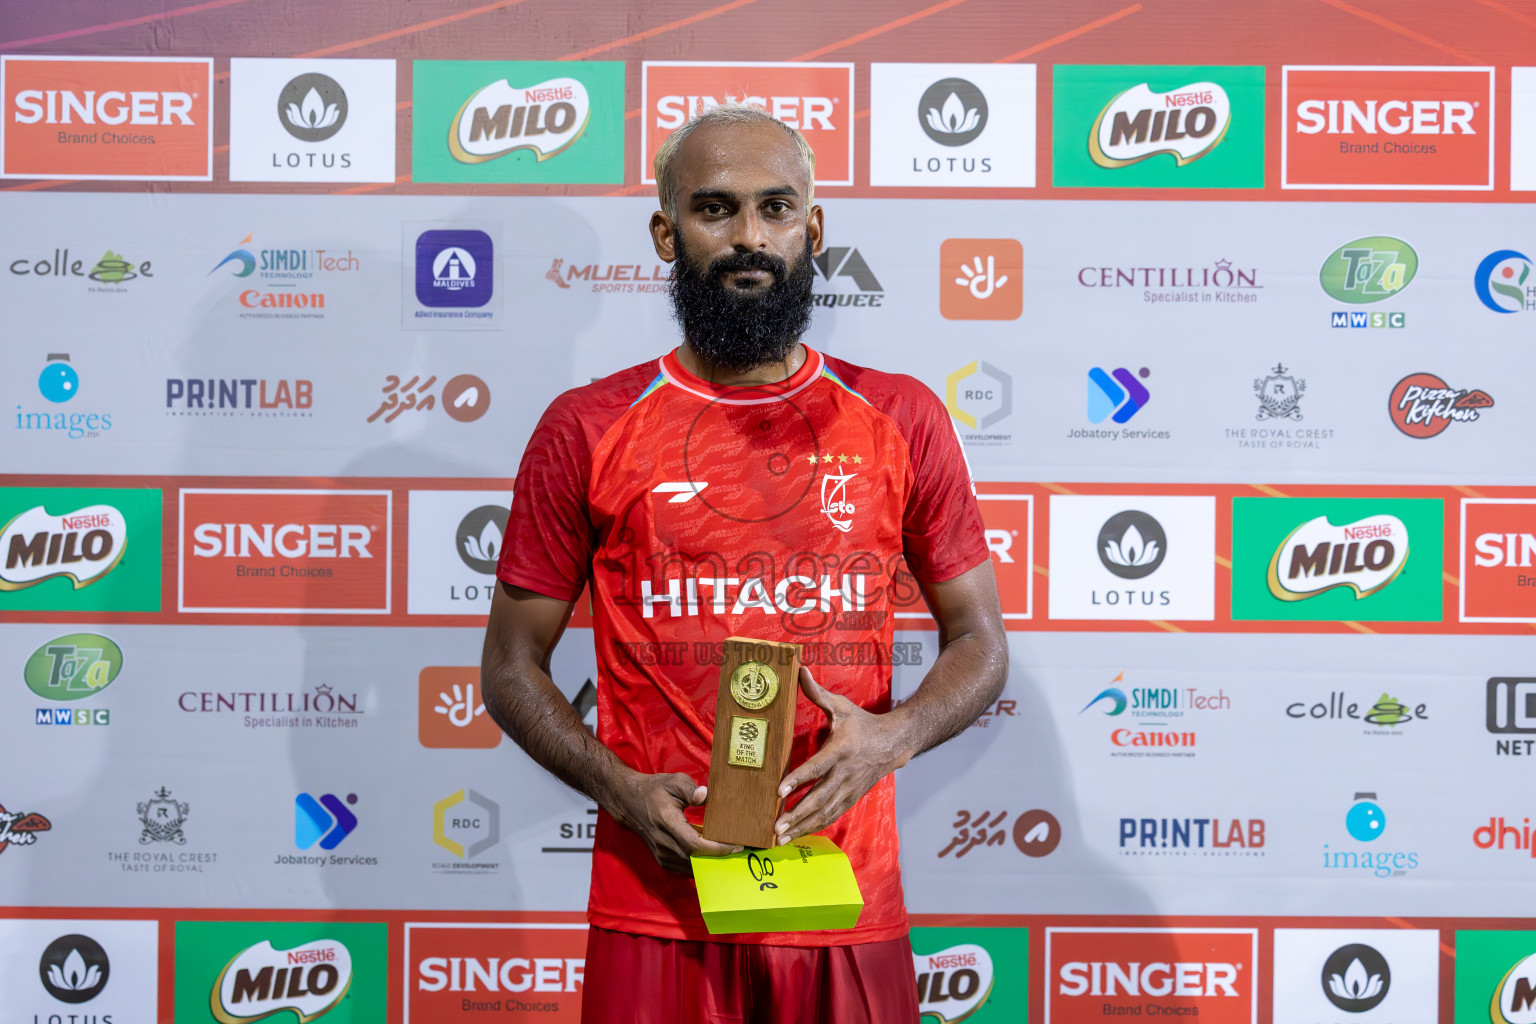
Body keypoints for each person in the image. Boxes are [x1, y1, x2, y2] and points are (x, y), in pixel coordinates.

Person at [481, 103, 1008, 1024]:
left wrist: (896, 736)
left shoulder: (901, 418)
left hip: (847, 904)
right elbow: (509, 667)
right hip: (660, 906)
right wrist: (619, 788)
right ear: (665, 232)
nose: (748, 238)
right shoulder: (590, 427)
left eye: (774, 209)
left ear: (813, 229)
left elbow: (980, 643)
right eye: (715, 209)